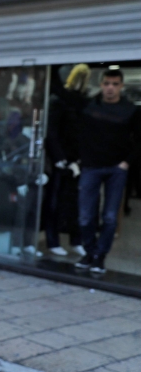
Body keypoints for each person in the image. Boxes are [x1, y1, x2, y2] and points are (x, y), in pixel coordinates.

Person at [74, 68, 141, 275]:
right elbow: (77, 131)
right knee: (85, 215)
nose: (110, 88)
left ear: (121, 86)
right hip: (91, 167)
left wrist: (126, 163)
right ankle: (89, 252)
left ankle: (100, 257)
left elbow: (140, 140)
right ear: (101, 85)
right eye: (106, 83)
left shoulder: (131, 110)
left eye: (114, 84)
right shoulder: (89, 106)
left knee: (110, 216)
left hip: (116, 169)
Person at [42, 64, 89, 257]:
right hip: (59, 160)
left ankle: (76, 239)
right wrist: (60, 158)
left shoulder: (84, 103)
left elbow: (86, 134)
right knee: (54, 200)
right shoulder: (58, 101)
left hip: (77, 160)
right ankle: (53, 240)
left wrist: (78, 160)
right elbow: (51, 131)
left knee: (76, 202)